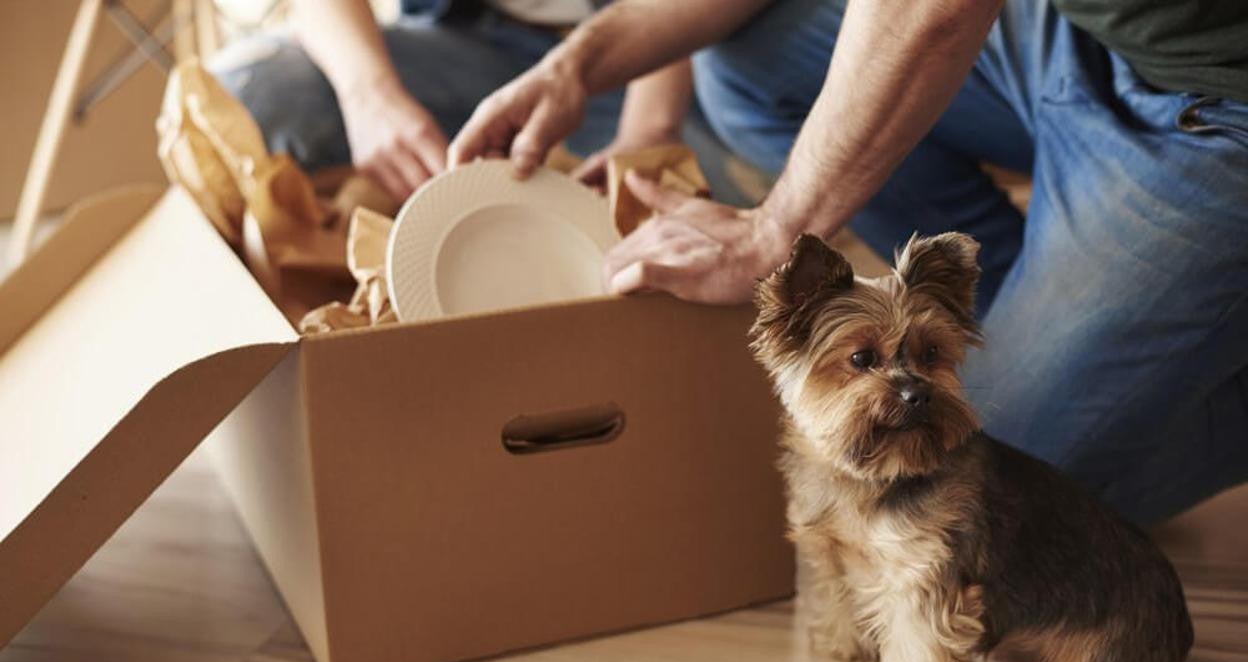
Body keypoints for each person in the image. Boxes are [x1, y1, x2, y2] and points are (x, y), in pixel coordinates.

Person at [448, 0, 1248, 524]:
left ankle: (1175, 348)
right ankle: (1033, 322)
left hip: (1226, 108)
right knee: (748, 62)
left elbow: (929, 10)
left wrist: (776, 229)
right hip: (1077, 34)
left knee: (966, 497)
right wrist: (578, 65)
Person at [208, 0, 750, 204]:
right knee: (245, 93)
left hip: (646, 52)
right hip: (470, 43)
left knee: (718, 233)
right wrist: (370, 97)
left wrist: (647, 133)